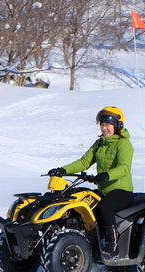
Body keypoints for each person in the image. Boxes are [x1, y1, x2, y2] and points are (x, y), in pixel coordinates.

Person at [48, 106, 134, 258]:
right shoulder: (99, 144)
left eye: (108, 124)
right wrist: (62, 170)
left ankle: (111, 245)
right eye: (102, 124)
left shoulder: (124, 144)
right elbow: (84, 162)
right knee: (82, 200)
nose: (104, 128)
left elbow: (124, 168)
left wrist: (106, 175)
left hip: (121, 191)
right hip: (103, 190)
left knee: (104, 206)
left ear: (117, 125)